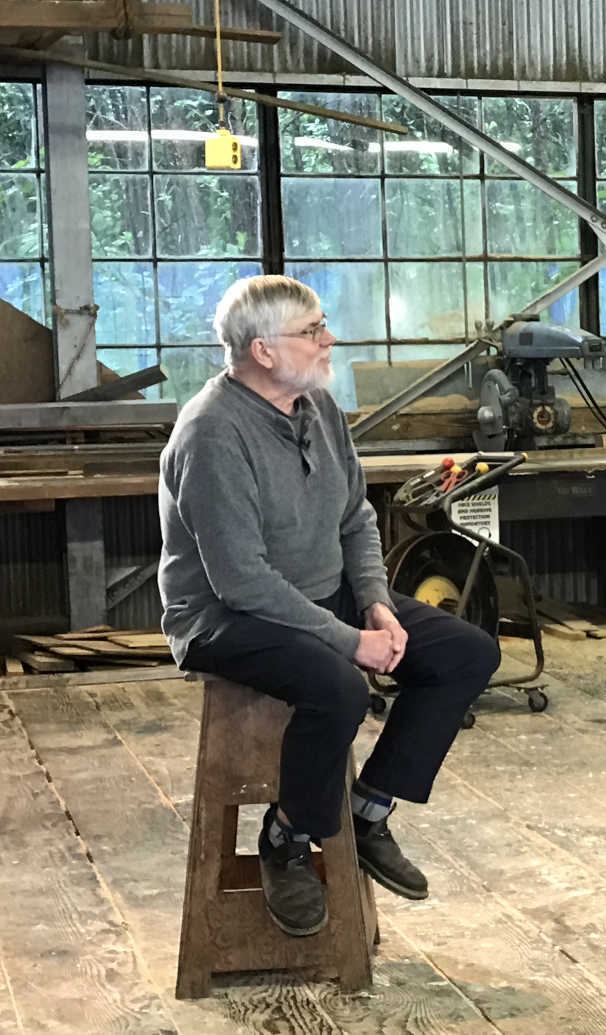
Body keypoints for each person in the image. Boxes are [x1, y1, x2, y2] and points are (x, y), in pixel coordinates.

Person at [158, 275, 500, 937]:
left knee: (465, 652)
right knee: (340, 687)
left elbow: (355, 518)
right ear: (262, 351)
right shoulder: (212, 433)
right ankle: (287, 839)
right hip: (224, 616)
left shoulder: (318, 408)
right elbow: (243, 583)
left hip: (319, 591)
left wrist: (376, 603)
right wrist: (350, 642)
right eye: (312, 330)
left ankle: (368, 812)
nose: (329, 338)